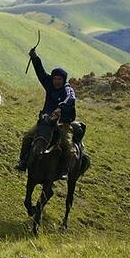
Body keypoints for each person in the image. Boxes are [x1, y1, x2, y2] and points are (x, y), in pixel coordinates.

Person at [15, 48, 76, 180]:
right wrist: (35, 57)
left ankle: (65, 170)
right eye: (55, 78)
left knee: (67, 144)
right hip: (47, 121)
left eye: (60, 79)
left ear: (64, 80)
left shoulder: (68, 90)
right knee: (28, 137)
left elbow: (70, 99)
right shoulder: (49, 84)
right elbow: (40, 72)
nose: (57, 81)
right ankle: (23, 161)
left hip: (62, 123)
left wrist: (61, 108)